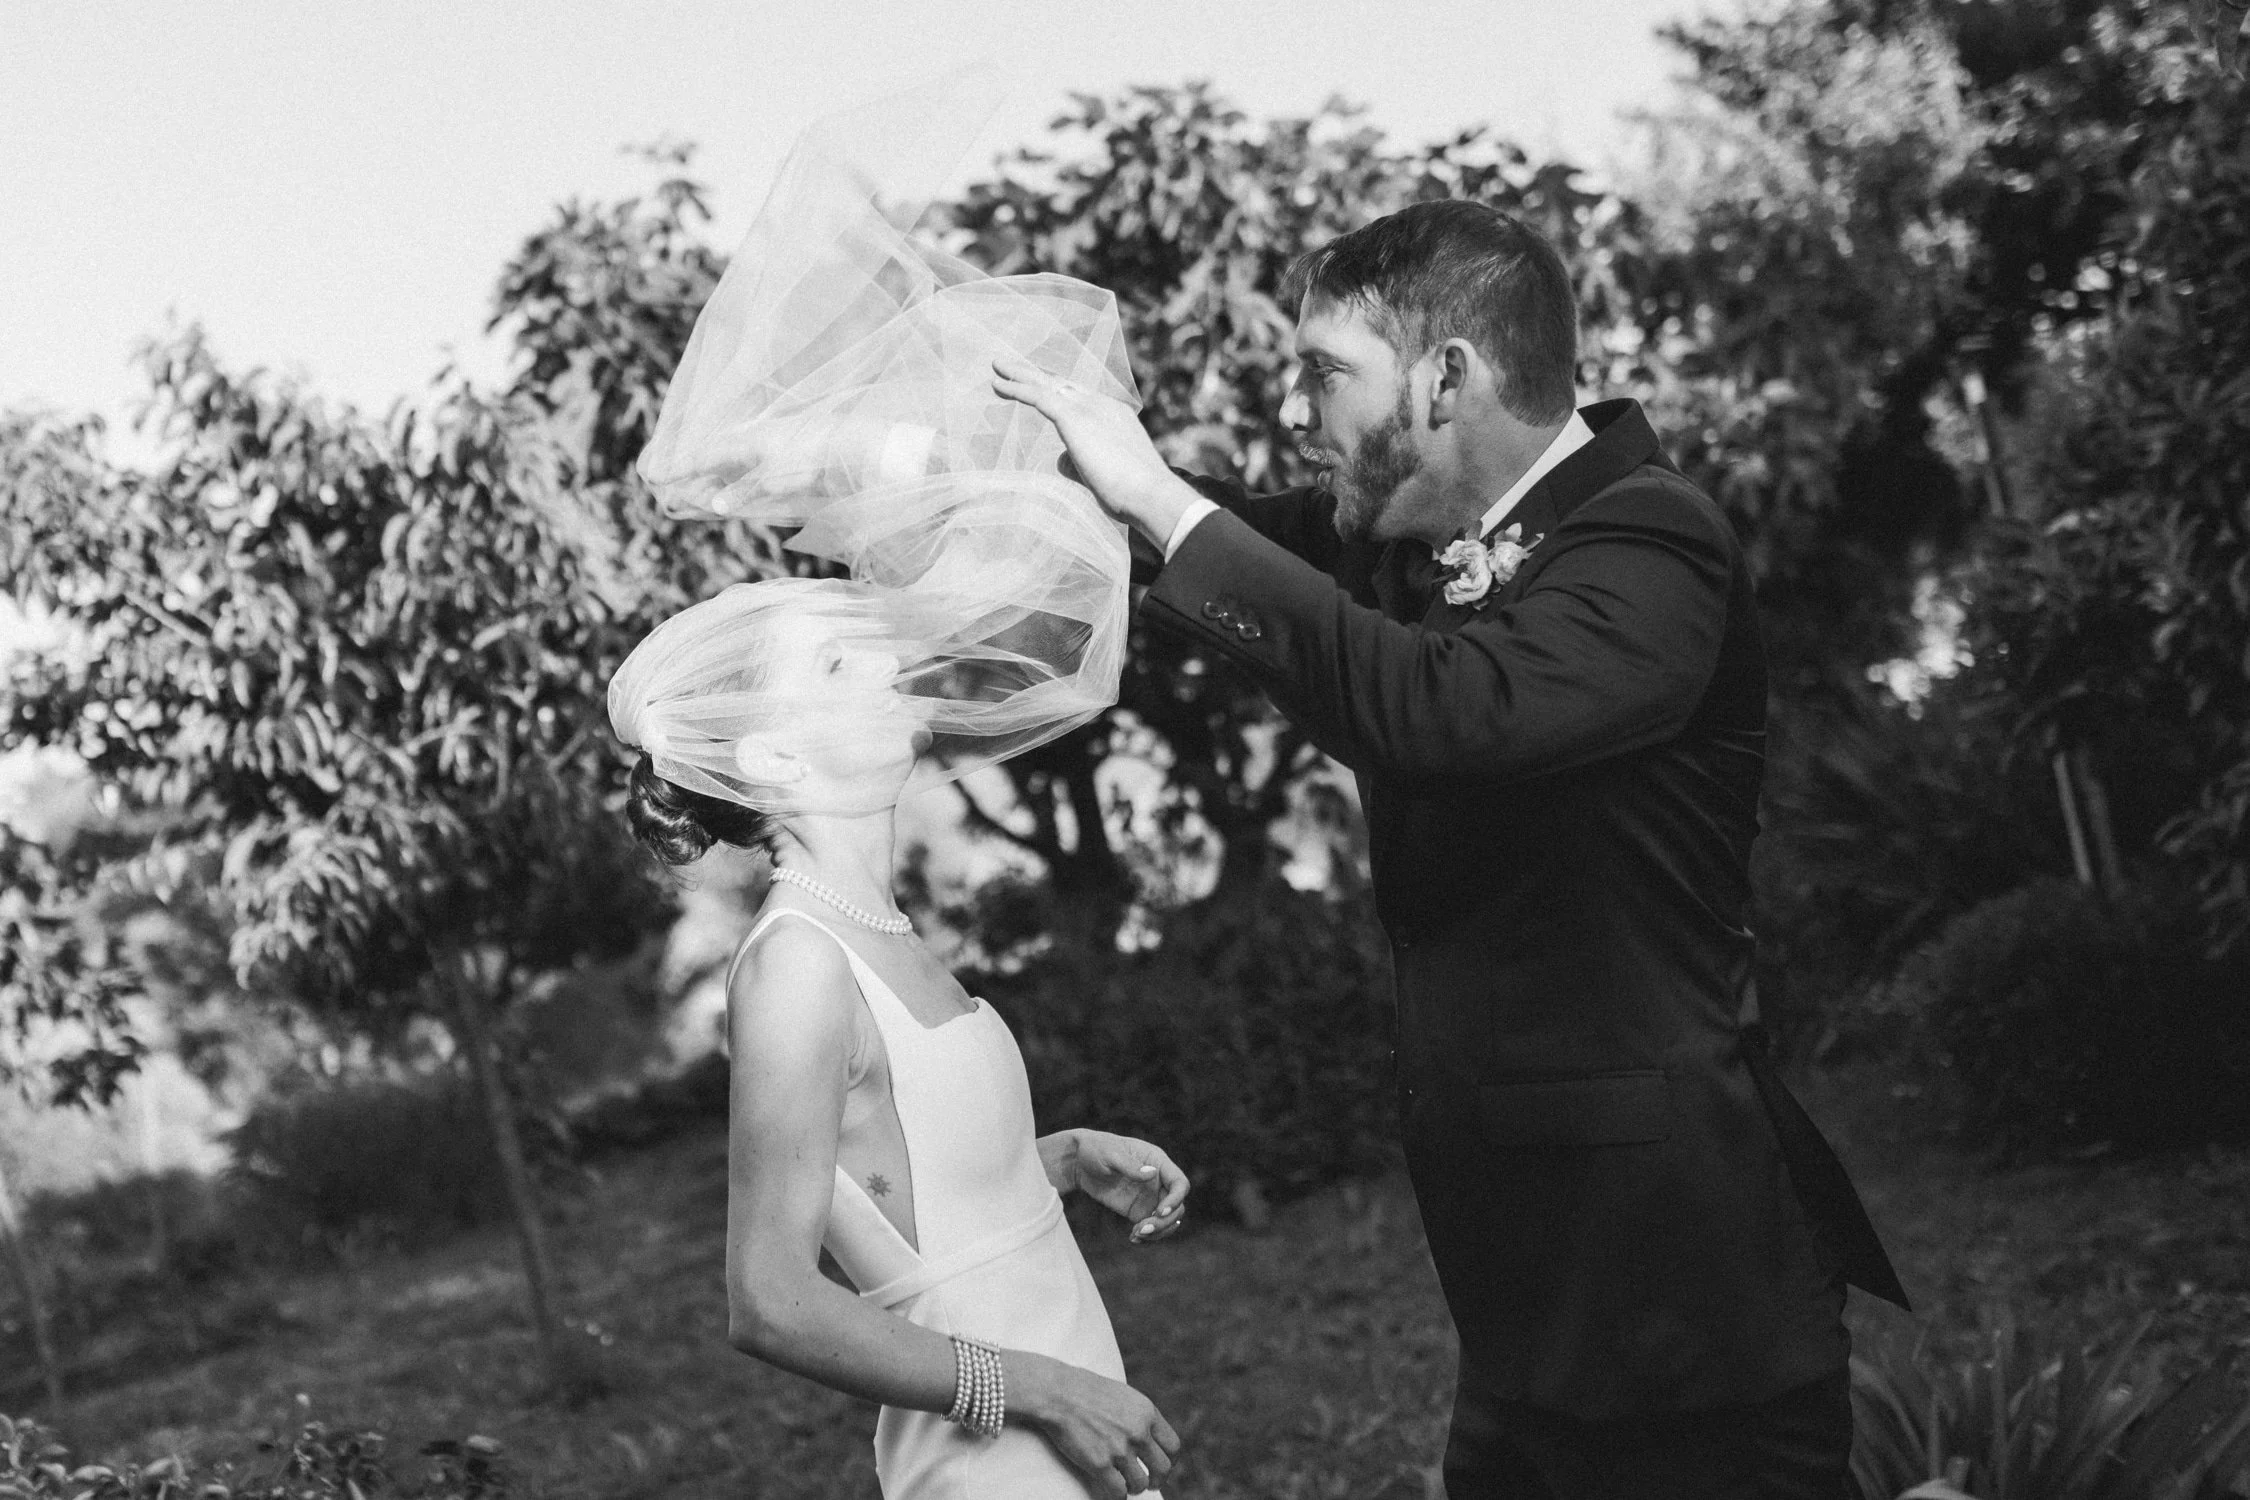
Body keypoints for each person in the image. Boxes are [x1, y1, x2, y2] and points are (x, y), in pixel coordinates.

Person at [992, 199, 1908, 1499]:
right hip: (1525, 1317)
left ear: (1445, 378)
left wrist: (1152, 488)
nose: (1297, 413)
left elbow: (1443, 714)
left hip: (1683, 1309)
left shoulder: (1652, 540)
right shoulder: (1405, 544)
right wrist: (969, 473)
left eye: (1324, 374)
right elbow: (1207, 544)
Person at [609, 579, 1187, 1499]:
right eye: (839, 663)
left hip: (1071, 1429)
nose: (886, 661)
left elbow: (913, 1212)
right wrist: (1040, 1392)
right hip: (1002, 1462)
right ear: (775, 757)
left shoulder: (873, 928)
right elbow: (769, 1300)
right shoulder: (797, 965)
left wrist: (1062, 1160)